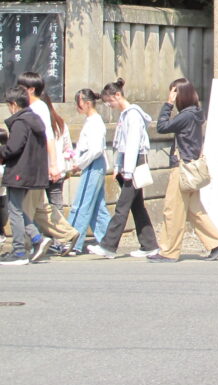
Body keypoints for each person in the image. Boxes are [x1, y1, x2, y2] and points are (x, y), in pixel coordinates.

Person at [149, 78, 218, 263]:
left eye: (173, 92)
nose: (171, 96)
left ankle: (169, 252)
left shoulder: (185, 116)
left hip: (182, 168)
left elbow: (162, 127)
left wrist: (168, 104)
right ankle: (217, 243)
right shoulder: (196, 114)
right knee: (195, 211)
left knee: (172, 210)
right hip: (192, 168)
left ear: (180, 95)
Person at [88, 78, 160, 259]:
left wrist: (127, 170)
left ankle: (108, 245)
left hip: (133, 164)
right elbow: (122, 145)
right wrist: (118, 166)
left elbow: (133, 144)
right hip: (129, 164)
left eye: (109, 101)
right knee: (137, 206)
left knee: (122, 207)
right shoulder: (126, 115)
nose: (109, 105)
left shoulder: (132, 115)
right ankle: (149, 244)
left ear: (118, 95)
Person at [0, 86, 51, 264]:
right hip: (30, 172)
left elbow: (13, 148)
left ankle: (19, 251)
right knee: (17, 209)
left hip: (19, 171)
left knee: (14, 211)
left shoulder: (20, 122)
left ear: (14, 104)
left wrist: (1, 151)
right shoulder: (34, 119)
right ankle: (37, 239)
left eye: (8, 105)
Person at [66, 89, 112, 257]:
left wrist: (79, 164)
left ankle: (72, 242)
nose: (77, 107)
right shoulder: (91, 121)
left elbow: (95, 150)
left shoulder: (95, 122)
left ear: (87, 103)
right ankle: (109, 240)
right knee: (97, 206)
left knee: (82, 203)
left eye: (78, 103)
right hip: (92, 163)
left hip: (93, 163)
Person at [36, 92, 81, 254]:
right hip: (59, 171)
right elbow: (68, 147)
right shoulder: (60, 123)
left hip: (42, 170)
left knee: (39, 207)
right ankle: (62, 240)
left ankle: (43, 239)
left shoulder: (38, 123)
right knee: (57, 205)